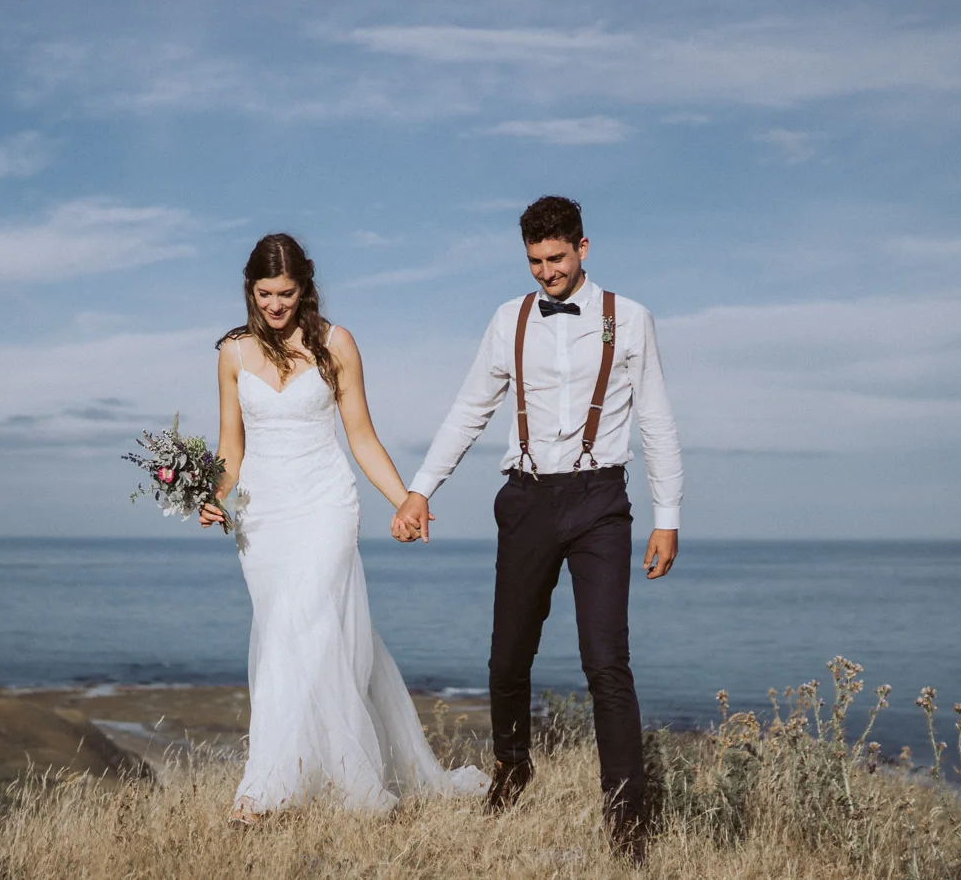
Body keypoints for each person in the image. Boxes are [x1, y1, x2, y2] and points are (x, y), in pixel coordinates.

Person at [391, 195, 684, 864]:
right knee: (506, 657)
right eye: (535, 262)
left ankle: (626, 823)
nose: (546, 273)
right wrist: (420, 489)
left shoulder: (628, 319)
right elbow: (469, 407)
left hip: (600, 501)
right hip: (526, 499)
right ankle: (512, 765)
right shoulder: (508, 319)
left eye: (556, 258)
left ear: (584, 247)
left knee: (606, 662)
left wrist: (667, 515)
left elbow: (657, 419)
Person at [199, 232, 487, 821]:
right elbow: (230, 446)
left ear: (304, 286)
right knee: (293, 631)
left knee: (302, 628)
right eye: (263, 294)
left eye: (285, 293)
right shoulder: (231, 352)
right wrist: (212, 496)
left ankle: (267, 792)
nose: (274, 305)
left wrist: (407, 499)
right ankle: (318, 771)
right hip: (262, 515)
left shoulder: (337, 344)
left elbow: (360, 435)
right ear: (248, 291)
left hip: (326, 505)